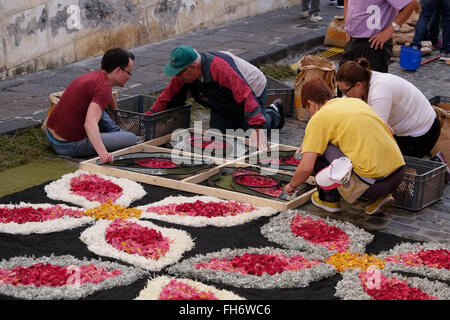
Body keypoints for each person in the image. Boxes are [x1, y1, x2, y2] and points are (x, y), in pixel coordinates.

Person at [284, 78, 405, 215]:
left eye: (308, 110)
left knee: (317, 150)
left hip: (372, 185)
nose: (310, 115)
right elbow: (390, 131)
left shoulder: (319, 118)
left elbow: (306, 167)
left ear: (311, 104)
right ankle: (379, 197)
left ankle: (328, 200)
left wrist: (291, 185)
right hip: (398, 174)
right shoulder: (355, 102)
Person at [145, 45, 284, 135]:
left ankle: (273, 114)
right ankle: (242, 119)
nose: (177, 77)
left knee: (249, 135)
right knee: (218, 138)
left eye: (179, 73)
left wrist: (257, 126)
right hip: (224, 98)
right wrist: (150, 114)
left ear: (193, 67)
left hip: (252, 88)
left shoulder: (220, 69)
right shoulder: (183, 75)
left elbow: (245, 94)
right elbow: (168, 95)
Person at [46, 47, 137, 164]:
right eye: (129, 72)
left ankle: (116, 131)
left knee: (98, 110)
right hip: (67, 145)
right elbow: (90, 123)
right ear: (118, 70)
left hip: (52, 135)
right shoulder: (103, 88)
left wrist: (117, 113)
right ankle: (118, 134)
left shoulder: (98, 76)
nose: (130, 76)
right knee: (131, 138)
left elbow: (107, 95)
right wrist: (103, 153)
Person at [336, 58, 441, 158]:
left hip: (422, 135)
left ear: (358, 85)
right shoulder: (366, 80)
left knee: (383, 162)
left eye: (345, 91)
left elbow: (377, 133)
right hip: (405, 130)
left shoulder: (379, 90)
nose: (344, 95)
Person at [340, 0, 419, 72]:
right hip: (353, 41)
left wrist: (389, 31)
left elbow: (411, 3)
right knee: (344, 81)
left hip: (374, 43)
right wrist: (348, 29)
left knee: (372, 84)